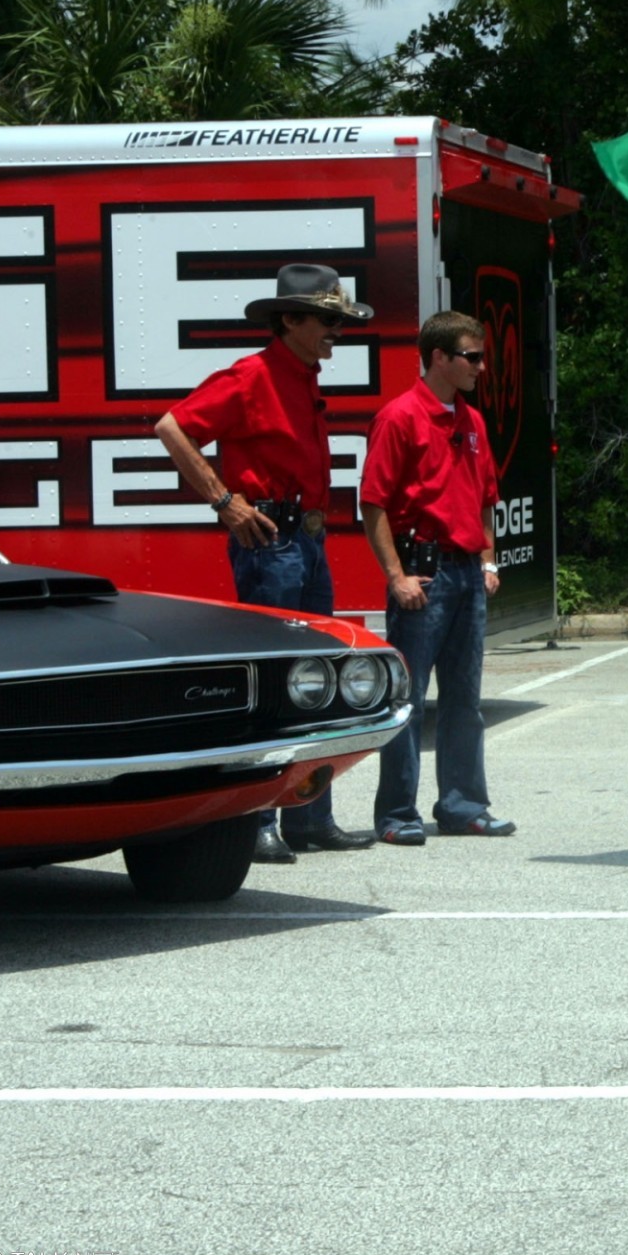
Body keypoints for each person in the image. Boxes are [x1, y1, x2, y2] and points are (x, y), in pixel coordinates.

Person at [154, 262, 377, 863]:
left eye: (338, 320)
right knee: (277, 682)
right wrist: (225, 502)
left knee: (318, 676)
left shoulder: (302, 374)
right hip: (273, 541)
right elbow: (172, 427)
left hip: (305, 538)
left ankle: (309, 817)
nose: (336, 330)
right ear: (292, 321)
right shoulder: (252, 376)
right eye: (327, 320)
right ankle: (259, 821)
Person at [360, 310, 509, 844]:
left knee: (464, 699)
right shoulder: (399, 418)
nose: (481, 367)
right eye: (471, 357)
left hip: (468, 574)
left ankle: (463, 806)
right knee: (407, 699)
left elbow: (486, 497)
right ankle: (398, 815)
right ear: (439, 357)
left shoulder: (471, 420)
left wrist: (488, 561)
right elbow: (373, 505)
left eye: (481, 356)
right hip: (423, 574)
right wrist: (397, 577)